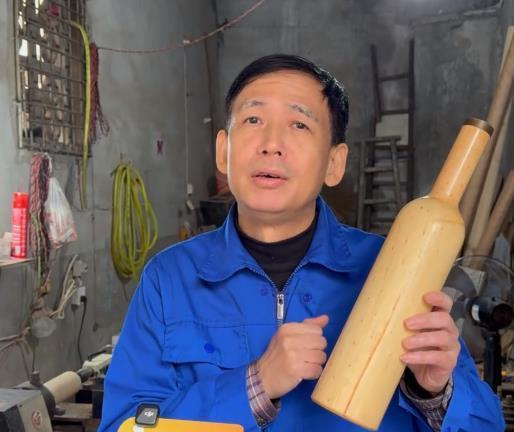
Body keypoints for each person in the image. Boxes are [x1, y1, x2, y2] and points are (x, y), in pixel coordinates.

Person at [98, 54, 504, 432]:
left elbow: (485, 425)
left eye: (299, 125)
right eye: (253, 119)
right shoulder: (169, 279)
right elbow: (124, 425)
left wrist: (435, 392)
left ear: (334, 163)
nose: (271, 144)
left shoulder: (395, 269)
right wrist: (255, 385)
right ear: (223, 151)